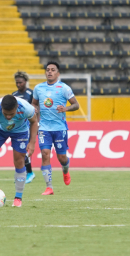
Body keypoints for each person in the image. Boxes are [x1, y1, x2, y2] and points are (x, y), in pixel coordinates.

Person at [31, 61, 79, 195]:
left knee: (62, 157)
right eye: (47, 70)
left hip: (59, 128)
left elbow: (76, 105)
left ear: (58, 73)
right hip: (44, 128)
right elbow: (34, 104)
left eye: (52, 70)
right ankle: (49, 187)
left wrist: (66, 108)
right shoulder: (38, 88)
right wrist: (34, 110)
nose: (49, 72)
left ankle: (65, 171)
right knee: (45, 154)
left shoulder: (64, 88)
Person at [12, 70, 36, 184]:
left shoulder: (31, 94)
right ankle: (26, 173)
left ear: (25, 82)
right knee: (20, 151)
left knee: (24, 150)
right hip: (18, 127)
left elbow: (36, 109)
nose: (18, 84)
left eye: (20, 82)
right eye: (17, 82)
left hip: (29, 125)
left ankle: (29, 172)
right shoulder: (14, 95)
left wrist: (37, 122)